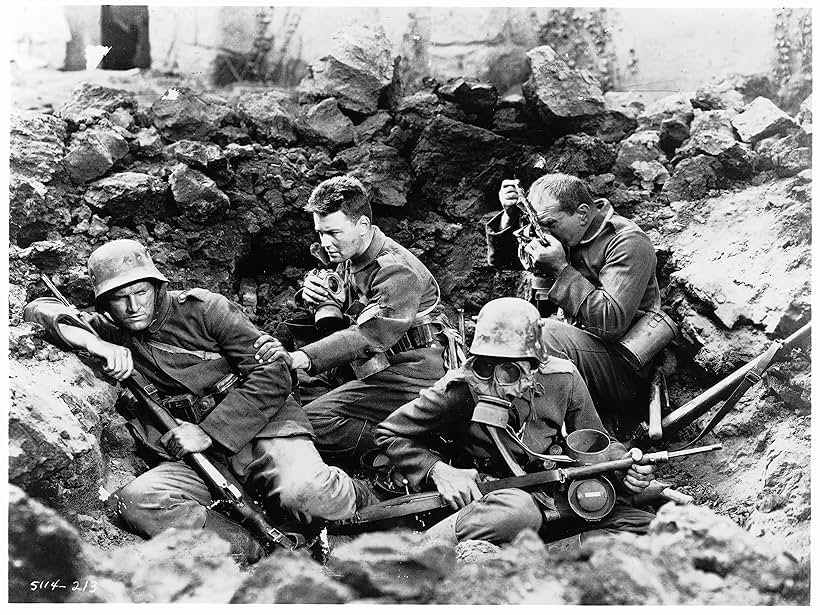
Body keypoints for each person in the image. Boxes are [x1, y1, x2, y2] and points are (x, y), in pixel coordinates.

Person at [23, 239, 372, 565]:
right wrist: (97, 345)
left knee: (309, 494)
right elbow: (38, 309)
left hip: (264, 431)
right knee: (136, 502)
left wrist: (210, 432)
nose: (133, 306)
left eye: (141, 292)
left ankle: (365, 496)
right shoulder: (111, 330)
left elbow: (275, 373)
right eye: (119, 297)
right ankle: (256, 549)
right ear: (105, 303)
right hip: (198, 458)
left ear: (157, 286)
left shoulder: (204, 309)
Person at [374, 297, 657, 547]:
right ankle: (420, 553)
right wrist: (438, 471)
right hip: (494, 501)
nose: (500, 383)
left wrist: (626, 469)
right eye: (487, 367)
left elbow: (596, 441)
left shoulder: (563, 378)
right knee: (518, 513)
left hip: (552, 492)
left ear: (536, 364)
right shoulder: (460, 390)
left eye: (514, 371)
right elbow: (389, 433)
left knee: (651, 528)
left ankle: (554, 555)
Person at [253, 175, 455, 469]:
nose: (326, 243)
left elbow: (369, 335)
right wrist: (314, 295)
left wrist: (302, 357)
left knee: (312, 422)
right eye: (320, 233)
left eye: (333, 232)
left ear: (362, 225)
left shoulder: (397, 269)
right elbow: (348, 307)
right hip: (378, 362)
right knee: (291, 389)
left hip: (415, 369)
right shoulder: (351, 253)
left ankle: (401, 451)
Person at [486, 173, 671, 427]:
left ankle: (589, 435)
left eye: (550, 224)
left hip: (624, 368)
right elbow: (505, 262)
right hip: (583, 352)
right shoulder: (568, 232)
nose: (544, 234)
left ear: (583, 213)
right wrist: (510, 215)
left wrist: (560, 269)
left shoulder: (627, 242)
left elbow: (611, 323)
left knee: (543, 333)